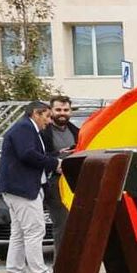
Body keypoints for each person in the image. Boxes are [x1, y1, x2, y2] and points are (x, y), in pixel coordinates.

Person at [0, 101, 59, 273]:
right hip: (23, 189)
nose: (48, 121)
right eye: (47, 116)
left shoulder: (25, 128)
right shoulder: (24, 128)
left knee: (20, 232)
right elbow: (27, 154)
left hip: (17, 189)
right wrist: (54, 163)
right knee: (34, 231)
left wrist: (54, 156)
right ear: (36, 114)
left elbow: (31, 154)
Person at [42, 95, 78, 252]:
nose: (62, 113)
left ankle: (77, 266)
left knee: (77, 226)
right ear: (51, 111)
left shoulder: (77, 131)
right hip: (54, 184)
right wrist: (57, 155)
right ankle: (61, 269)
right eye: (58, 110)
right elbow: (36, 156)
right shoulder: (43, 132)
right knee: (62, 226)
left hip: (75, 183)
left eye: (66, 110)